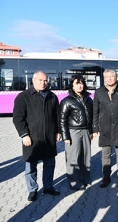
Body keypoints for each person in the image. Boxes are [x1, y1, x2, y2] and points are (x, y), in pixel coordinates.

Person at [13, 71, 61, 201]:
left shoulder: (52, 96)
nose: (43, 83)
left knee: (50, 164)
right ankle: (32, 190)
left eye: (45, 80)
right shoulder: (23, 97)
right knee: (31, 166)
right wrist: (24, 135)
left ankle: (48, 187)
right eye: (40, 80)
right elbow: (18, 118)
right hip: (32, 138)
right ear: (33, 81)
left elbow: (57, 116)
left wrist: (58, 131)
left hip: (49, 137)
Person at [93, 69, 118, 188]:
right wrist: (95, 128)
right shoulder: (99, 92)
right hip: (105, 128)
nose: (109, 79)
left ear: (116, 77)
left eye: (111, 76)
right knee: (106, 154)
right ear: (104, 78)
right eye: (107, 77)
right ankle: (106, 176)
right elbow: (95, 112)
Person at [59, 75, 94, 190]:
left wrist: (92, 130)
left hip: (86, 131)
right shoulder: (67, 101)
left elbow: (92, 116)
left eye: (81, 83)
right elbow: (62, 119)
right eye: (77, 83)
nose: (80, 86)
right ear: (72, 86)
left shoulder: (88, 99)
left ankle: (85, 179)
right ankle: (75, 183)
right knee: (73, 158)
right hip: (73, 131)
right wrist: (66, 136)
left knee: (86, 157)